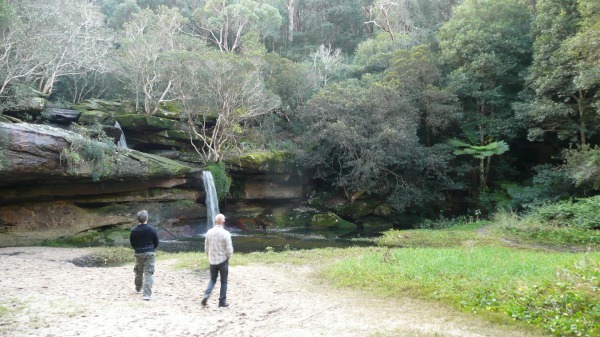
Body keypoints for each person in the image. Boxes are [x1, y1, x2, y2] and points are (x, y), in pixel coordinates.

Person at [201, 213, 234, 308]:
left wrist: (209, 256)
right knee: (224, 282)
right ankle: (222, 302)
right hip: (223, 260)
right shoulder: (226, 233)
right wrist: (228, 257)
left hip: (212, 261)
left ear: (215, 221)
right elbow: (229, 249)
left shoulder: (209, 232)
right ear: (223, 222)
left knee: (212, 279)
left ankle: (207, 294)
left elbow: (206, 247)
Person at [129, 210, 159, 301]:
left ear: (138, 219)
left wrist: (137, 249)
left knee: (138, 271)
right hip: (150, 253)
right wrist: (151, 249)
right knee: (148, 273)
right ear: (147, 218)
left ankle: (138, 288)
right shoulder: (152, 229)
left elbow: (132, 243)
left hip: (138, 253)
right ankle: (147, 295)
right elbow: (156, 242)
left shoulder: (133, 231)